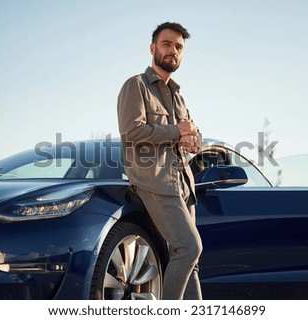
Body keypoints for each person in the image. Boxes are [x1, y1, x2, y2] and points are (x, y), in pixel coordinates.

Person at [117, 22, 203, 300]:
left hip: (183, 185)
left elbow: (195, 138)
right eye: (167, 44)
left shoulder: (179, 97)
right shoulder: (136, 86)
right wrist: (177, 131)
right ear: (152, 48)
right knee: (189, 248)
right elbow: (132, 133)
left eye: (179, 47)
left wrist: (192, 141)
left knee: (191, 261)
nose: (173, 51)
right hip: (155, 182)